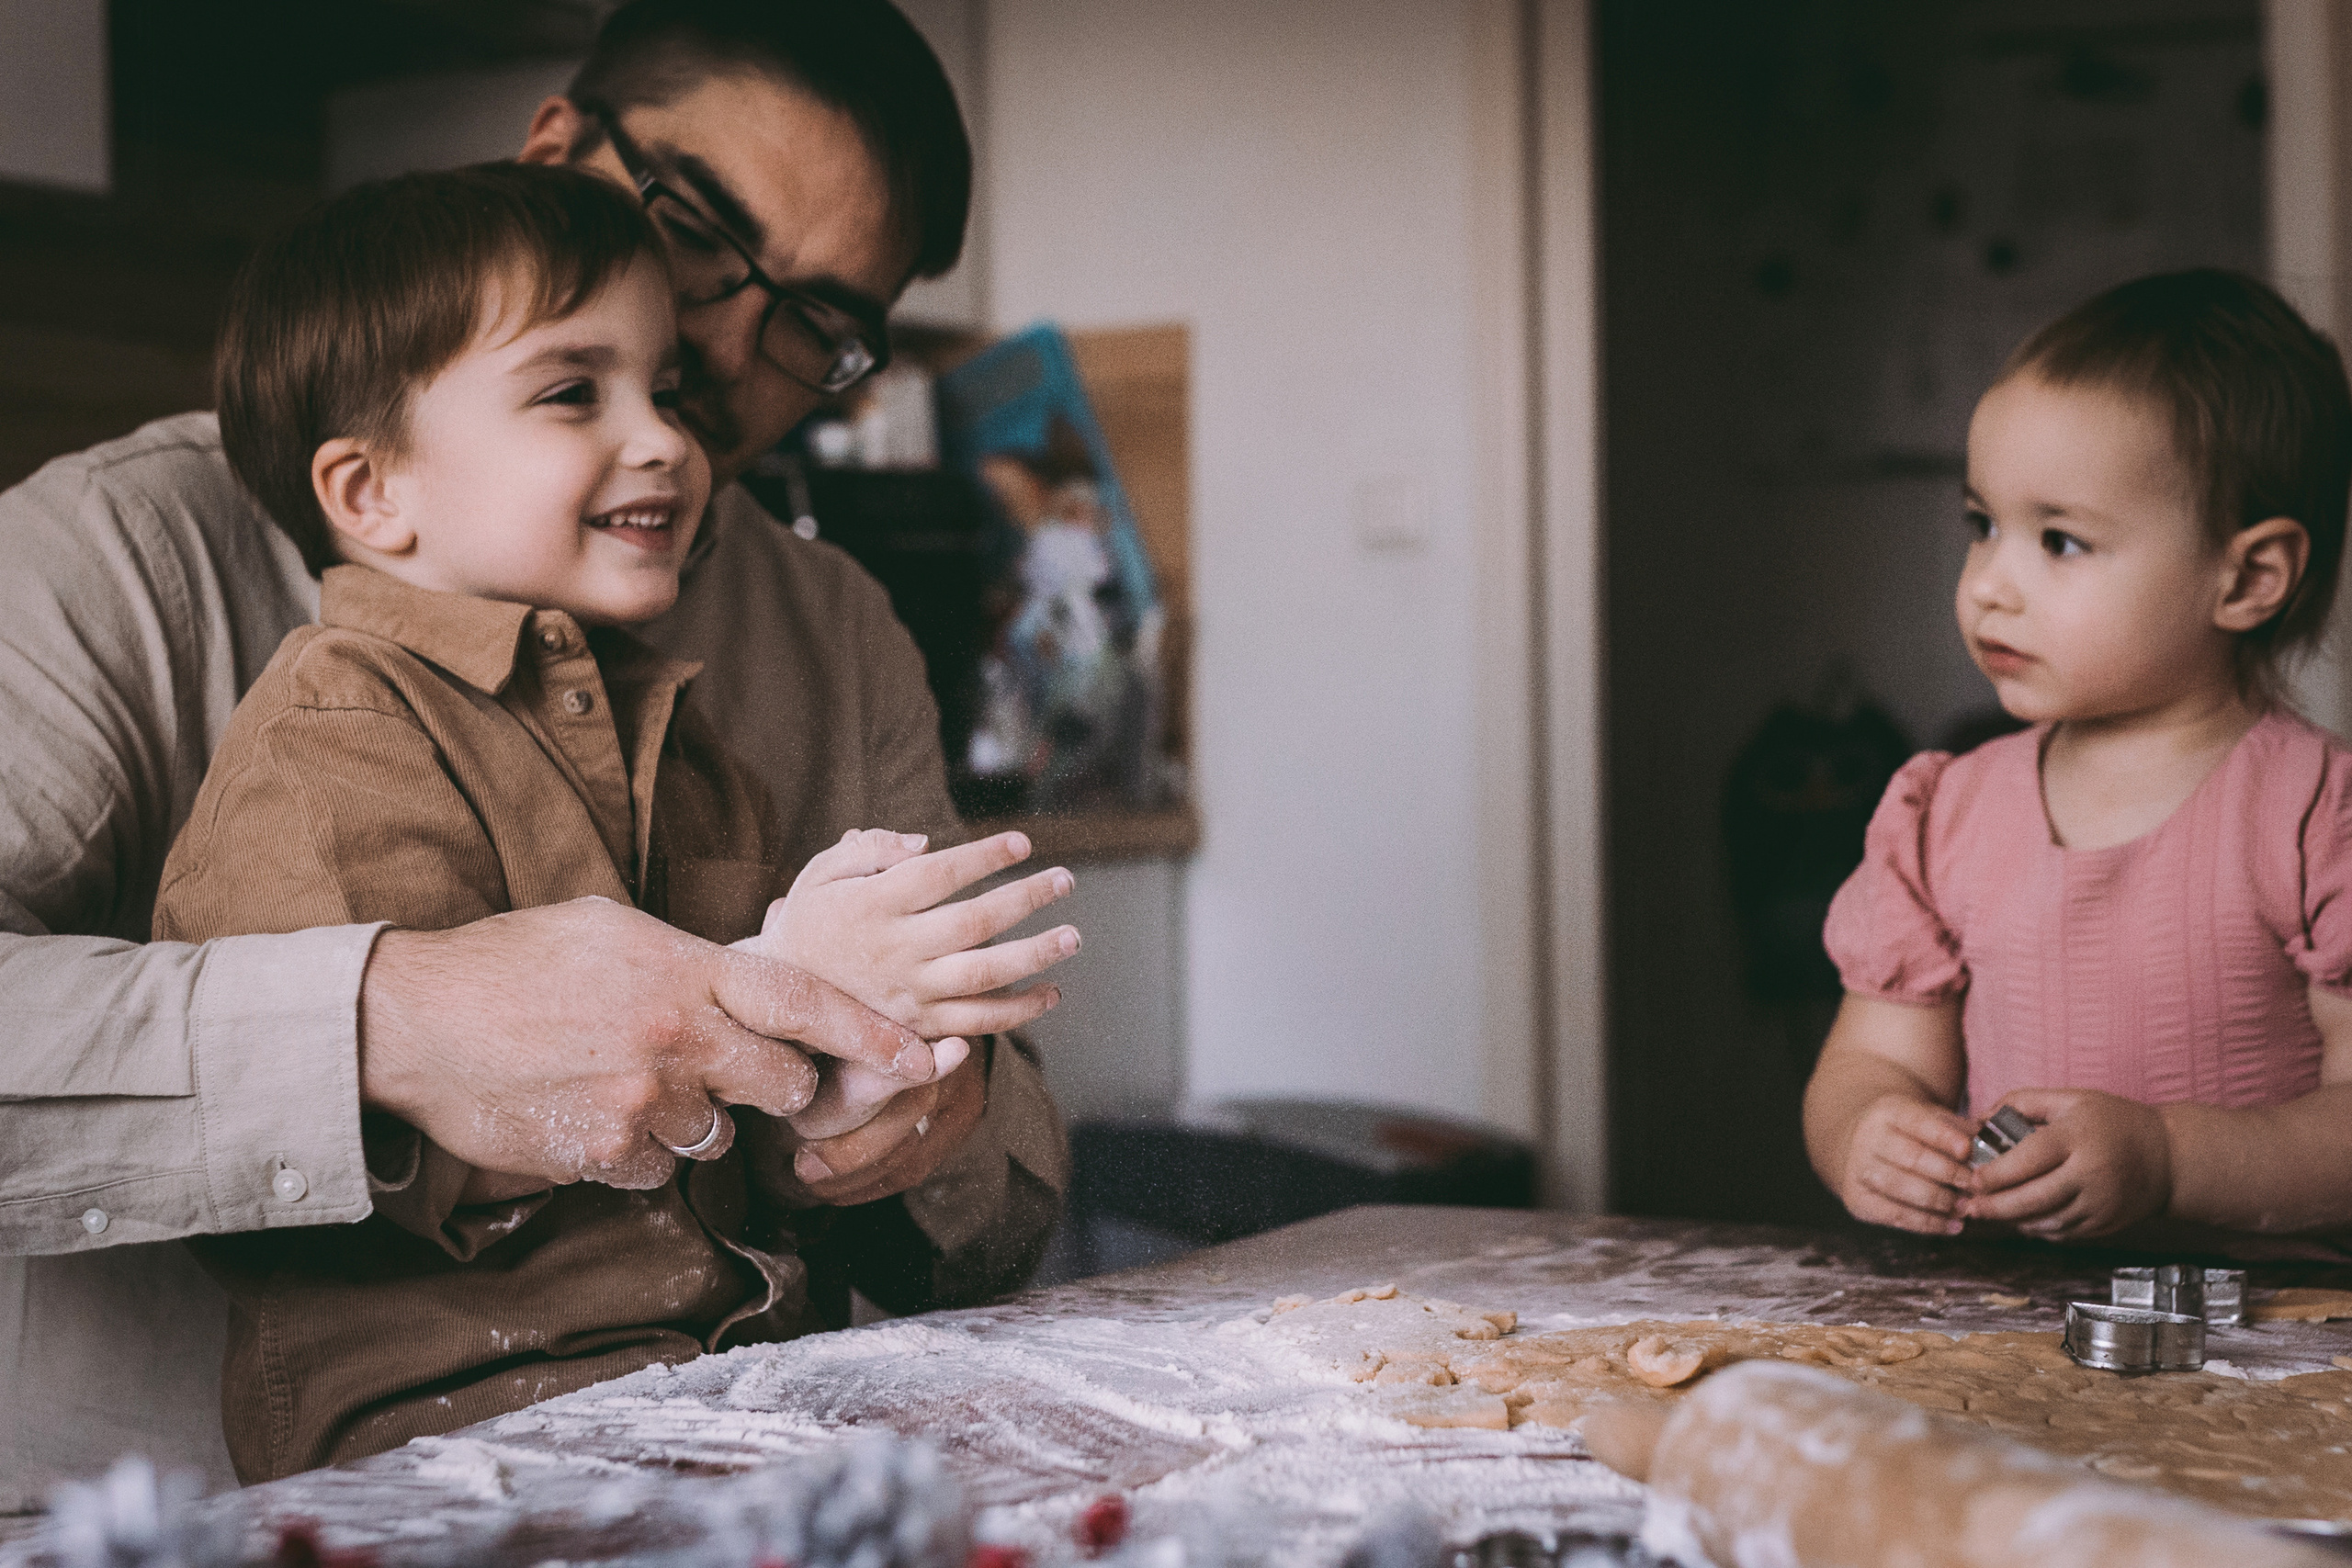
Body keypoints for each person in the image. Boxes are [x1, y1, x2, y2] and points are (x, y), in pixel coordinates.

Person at [0, 0, 1070, 1500]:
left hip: (718, 1465)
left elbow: (1007, 1198)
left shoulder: (833, 634)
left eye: (815, 323)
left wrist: (913, 1111)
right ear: (558, 148)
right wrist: (393, 1020)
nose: (713, 344)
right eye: (696, 229)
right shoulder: (113, 556)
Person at [1804, 269, 2352, 1256]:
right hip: (2009, 1325)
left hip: (2271, 1346)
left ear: (2247, 578)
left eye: (2059, 540)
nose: (1988, 587)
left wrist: (2168, 1157)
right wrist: (1863, 1134)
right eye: (1982, 526)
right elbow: (1872, 1062)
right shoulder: (1944, 810)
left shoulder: (2315, 815)